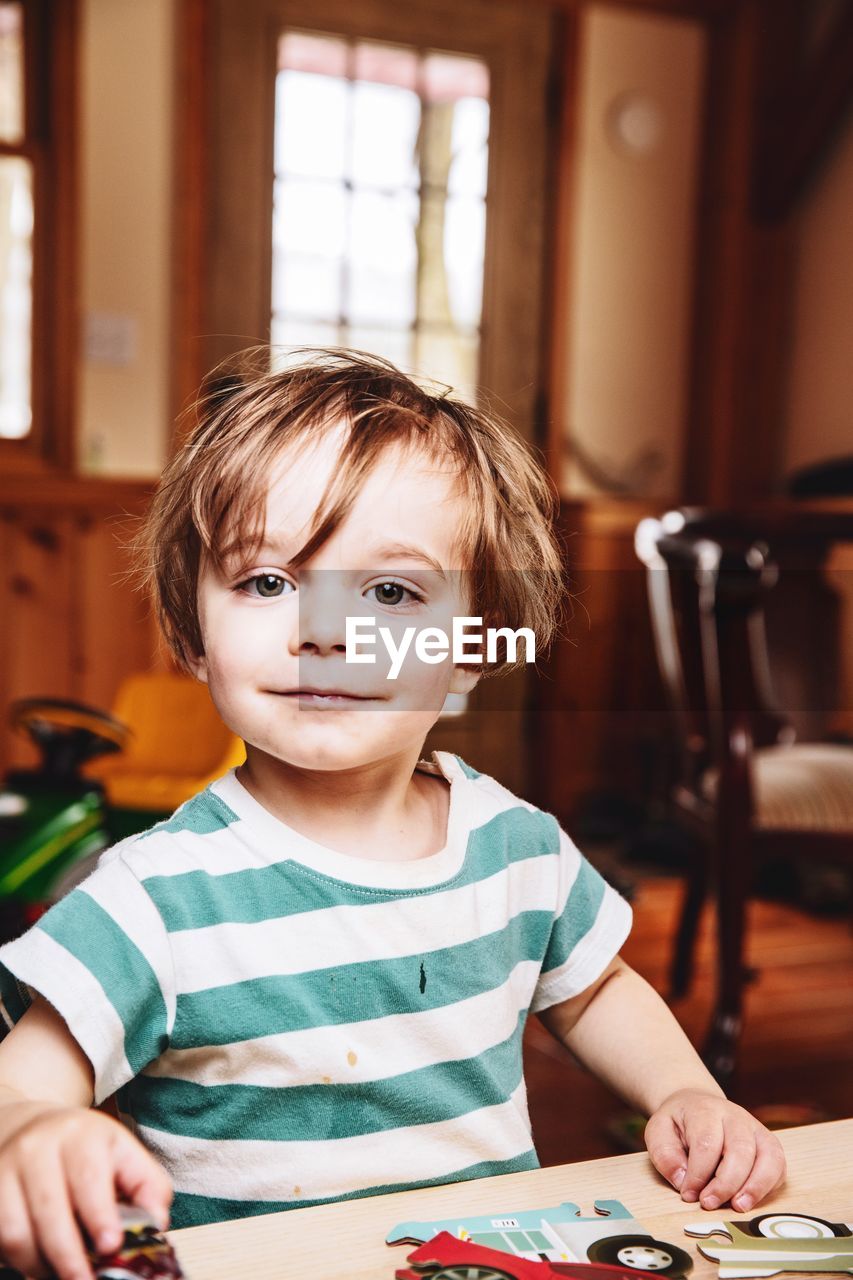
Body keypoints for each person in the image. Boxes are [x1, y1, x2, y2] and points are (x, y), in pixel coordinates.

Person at [0, 350, 784, 1280]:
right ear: (191, 631)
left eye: (390, 593)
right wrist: (33, 1130)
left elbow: (594, 988)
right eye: (267, 582)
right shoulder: (153, 895)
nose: (326, 629)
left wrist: (686, 1091)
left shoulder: (517, 846)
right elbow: (31, 1071)